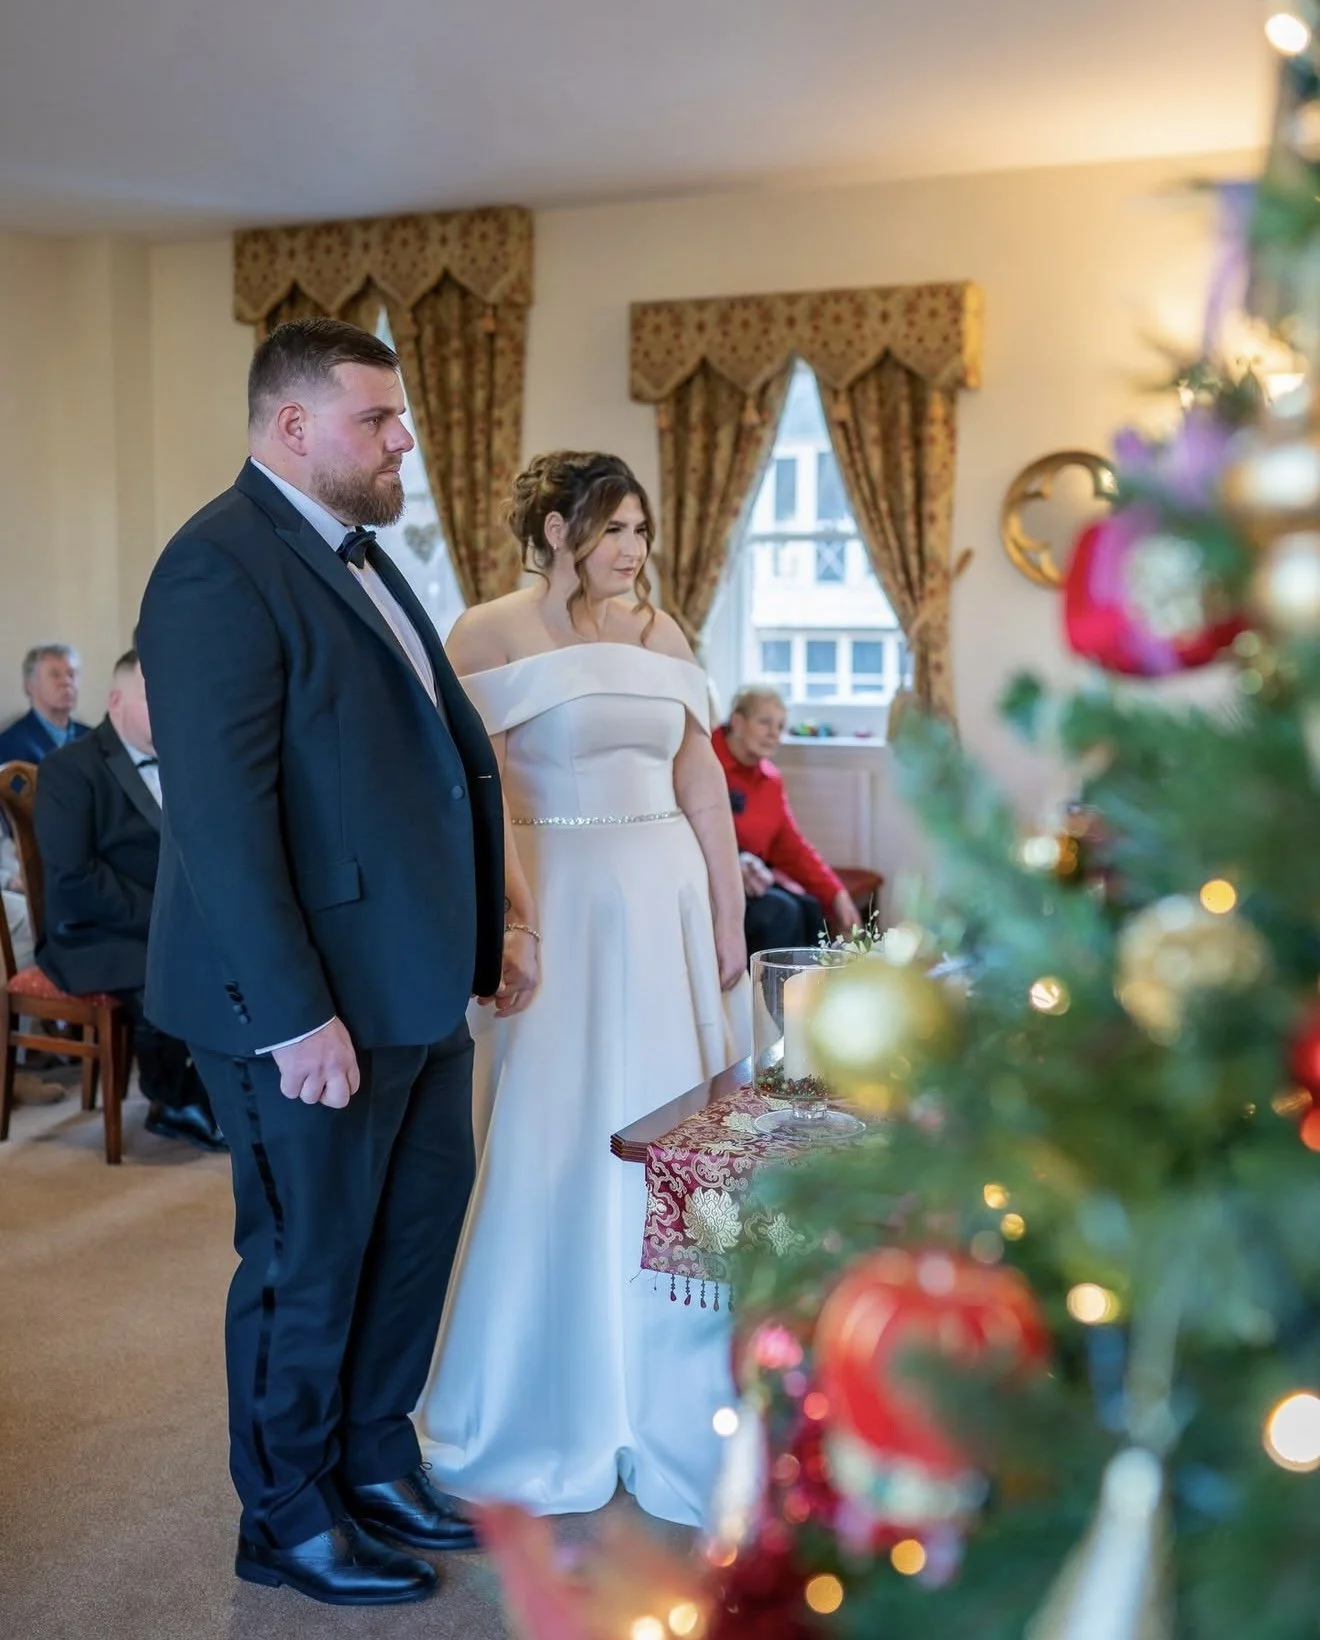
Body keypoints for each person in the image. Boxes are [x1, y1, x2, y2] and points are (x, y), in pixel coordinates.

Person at [136, 318, 530, 1608]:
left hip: (413, 981)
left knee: (410, 1242)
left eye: (401, 415)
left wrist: (489, 930)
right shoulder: (215, 566)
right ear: (292, 425)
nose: (404, 437)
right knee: (309, 1262)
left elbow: (432, 761)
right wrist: (296, 1014)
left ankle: (373, 1458)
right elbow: (223, 821)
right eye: (380, 417)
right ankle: (287, 1512)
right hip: (303, 1007)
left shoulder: (362, 553)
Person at [416, 450, 751, 1528]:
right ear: (557, 529)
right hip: (555, 897)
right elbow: (479, 787)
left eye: (643, 531)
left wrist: (728, 913)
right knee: (555, 1131)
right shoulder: (489, 630)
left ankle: (671, 1386)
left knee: (675, 1132)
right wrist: (510, 917)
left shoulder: (665, 635)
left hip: (663, 907)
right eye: (616, 530)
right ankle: (540, 1391)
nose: (635, 551)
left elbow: (699, 779)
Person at [33, 651, 225, 1151]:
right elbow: (75, 877)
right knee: (177, 968)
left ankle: (227, 1090)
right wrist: (169, 923)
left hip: (171, 924)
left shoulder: (186, 760)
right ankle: (174, 1101)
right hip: (92, 934)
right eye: (152, 695)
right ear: (116, 700)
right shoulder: (67, 769)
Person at [714, 687, 861, 954]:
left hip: (753, 880)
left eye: (780, 726)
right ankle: (768, 993)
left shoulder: (770, 779)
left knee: (811, 907)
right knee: (782, 912)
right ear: (737, 721)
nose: (774, 733)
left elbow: (791, 847)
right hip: (714, 881)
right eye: (764, 722)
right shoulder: (706, 762)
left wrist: (836, 893)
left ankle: (809, 992)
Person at [0, 644, 91, 765]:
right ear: (30, 685)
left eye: (71, 674)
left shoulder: (94, 739)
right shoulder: (10, 744)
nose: (66, 682)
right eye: (55, 675)